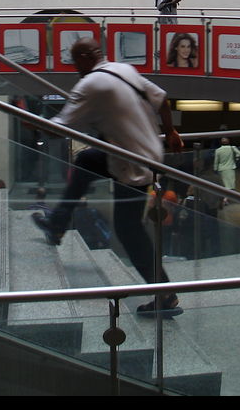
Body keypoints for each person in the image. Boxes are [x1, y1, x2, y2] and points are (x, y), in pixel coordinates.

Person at [31, 38, 185, 317]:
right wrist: (171, 131)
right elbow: (162, 100)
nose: (74, 67)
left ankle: (165, 294)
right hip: (148, 152)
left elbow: (59, 129)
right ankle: (57, 224)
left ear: (86, 57)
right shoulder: (123, 69)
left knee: (129, 230)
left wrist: (30, 120)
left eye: (75, 60)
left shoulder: (89, 85)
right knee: (87, 159)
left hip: (132, 166)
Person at [213, 136, 240, 202]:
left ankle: (226, 198)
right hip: (230, 168)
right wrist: (235, 159)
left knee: (224, 185)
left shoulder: (218, 150)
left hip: (221, 169)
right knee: (231, 185)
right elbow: (239, 153)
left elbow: (216, 161)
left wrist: (215, 169)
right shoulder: (232, 148)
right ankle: (227, 199)